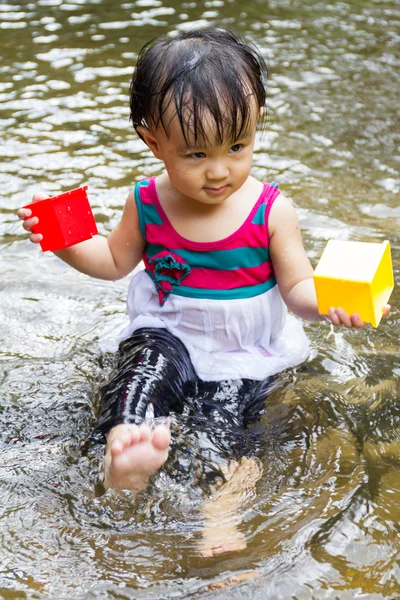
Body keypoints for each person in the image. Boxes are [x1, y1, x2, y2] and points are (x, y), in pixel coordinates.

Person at [17, 27, 389, 555]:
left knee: (227, 427)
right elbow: (112, 261)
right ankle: (125, 455)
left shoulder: (271, 211)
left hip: (242, 350)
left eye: (238, 147)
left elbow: (298, 286)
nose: (220, 171)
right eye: (195, 155)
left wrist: (333, 303)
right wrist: (62, 241)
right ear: (154, 142)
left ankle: (221, 513)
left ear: (256, 126)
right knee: (138, 379)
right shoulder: (145, 201)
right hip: (165, 329)